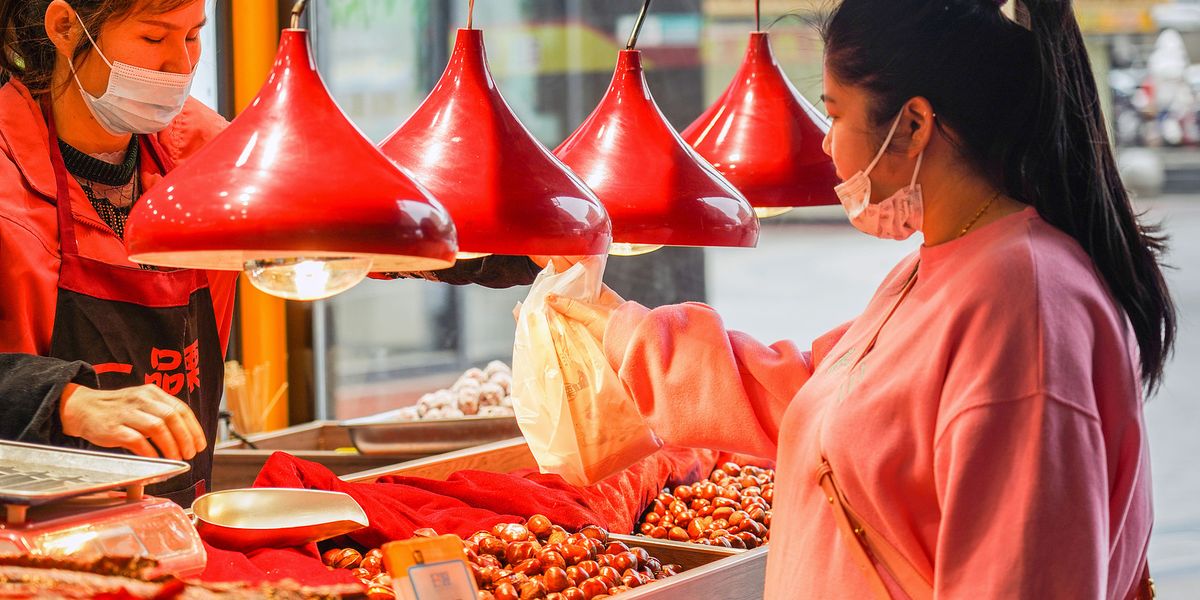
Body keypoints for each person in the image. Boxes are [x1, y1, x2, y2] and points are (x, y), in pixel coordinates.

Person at [548, 1, 1174, 598]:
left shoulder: (1024, 307)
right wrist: (609, 328)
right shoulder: (945, 267)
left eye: (835, 112)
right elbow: (816, 395)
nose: (825, 143)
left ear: (912, 125)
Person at [0, 0, 537, 506]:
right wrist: (67, 401)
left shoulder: (200, 149)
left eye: (194, 35)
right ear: (66, 27)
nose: (180, 62)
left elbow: (346, 222)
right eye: (154, 36)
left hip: (173, 519)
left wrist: (531, 240)